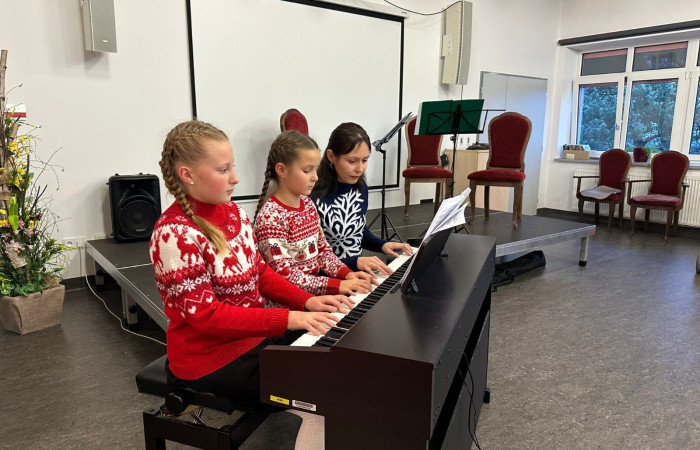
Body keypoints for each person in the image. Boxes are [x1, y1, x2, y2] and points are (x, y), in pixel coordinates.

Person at [150, 120, 351, 449]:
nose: (235, 178)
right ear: (187, 174)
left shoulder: (234, 213)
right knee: (320, 397)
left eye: (233, 166)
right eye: (223, 169)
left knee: (338, 351)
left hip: (252, 339)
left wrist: (305, 301)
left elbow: (259, 271)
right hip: (209, 359)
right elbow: (207, 316)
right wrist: (288, 318)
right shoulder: (173, 234)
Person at [254, 130, 374, 296]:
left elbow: (323, 251)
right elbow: (285, 276)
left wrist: (347, 274)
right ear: (282, 170)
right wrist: (336, 285)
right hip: (291, 304)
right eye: (307, 170)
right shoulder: (270, 218)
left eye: (315, 170)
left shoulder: (307, 204)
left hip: (315, 296)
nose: (315, 177)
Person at [311, 122, 412, 275]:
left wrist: (382, 245)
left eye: (364, 160)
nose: (360, 169)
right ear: (331, 156)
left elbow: (358, 233)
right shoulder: (312, 196)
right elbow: (309, 261)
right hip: (328, 280)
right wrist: (354, 262)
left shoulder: (360, 188)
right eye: (352, 161)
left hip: (357, 275)